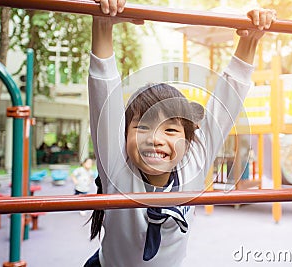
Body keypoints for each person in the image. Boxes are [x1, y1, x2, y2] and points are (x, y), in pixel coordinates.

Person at [85, 0, 276, 266]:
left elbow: (226, 102)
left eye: (171, 129)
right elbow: (102, 91)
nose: (155, 139)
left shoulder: (194, 163)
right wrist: (103, 25)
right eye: (142, 127)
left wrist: (250, 40)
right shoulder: (117, 166)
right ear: (122, 136)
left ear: (189, 141)